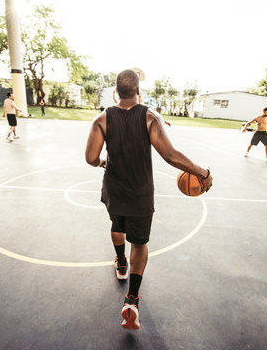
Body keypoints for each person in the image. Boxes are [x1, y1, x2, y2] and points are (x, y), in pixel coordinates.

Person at [85, 69, 213, 331]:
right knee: (140, 244)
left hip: (114, 190)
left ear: (115, 92)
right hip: (140, 193)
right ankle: (132, 300)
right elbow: (170, 155)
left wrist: (101, 163)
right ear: (139, 91)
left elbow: (90, 157)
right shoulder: (150, 117)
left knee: (117, 226)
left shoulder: (102, 119)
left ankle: (120, 262)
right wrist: (202, 173)